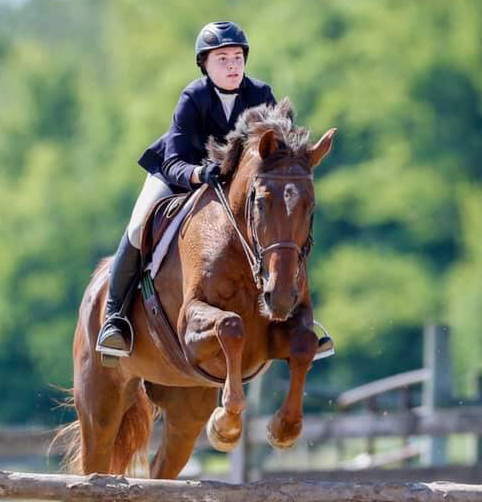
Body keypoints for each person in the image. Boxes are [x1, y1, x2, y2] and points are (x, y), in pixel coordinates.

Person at [96, 20, 334, 362]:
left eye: (237, 57)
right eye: (222, 58)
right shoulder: (194, 97)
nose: (232, 65)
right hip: (181, 175)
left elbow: (278, 153)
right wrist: (198, 174)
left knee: (284, 225)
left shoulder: (260, 94)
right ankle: (114, 318)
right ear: (205, 64)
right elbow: (174, 159)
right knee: (137, 227)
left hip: (240, 186)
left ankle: (300, 316)